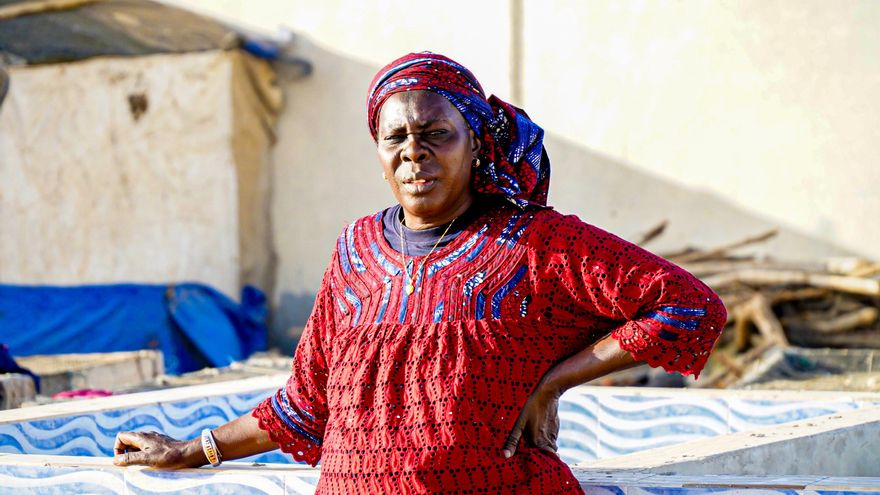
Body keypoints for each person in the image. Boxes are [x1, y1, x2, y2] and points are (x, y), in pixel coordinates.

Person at [114, 52, 726, 494]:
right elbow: (307, 402)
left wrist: (552, 382)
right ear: (379, 154)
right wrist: (193, 450)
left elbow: (688, 306)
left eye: (437, 133)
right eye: (396, 137)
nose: (414, 151)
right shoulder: (355, 250)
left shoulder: (535, 242)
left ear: (475, 143)